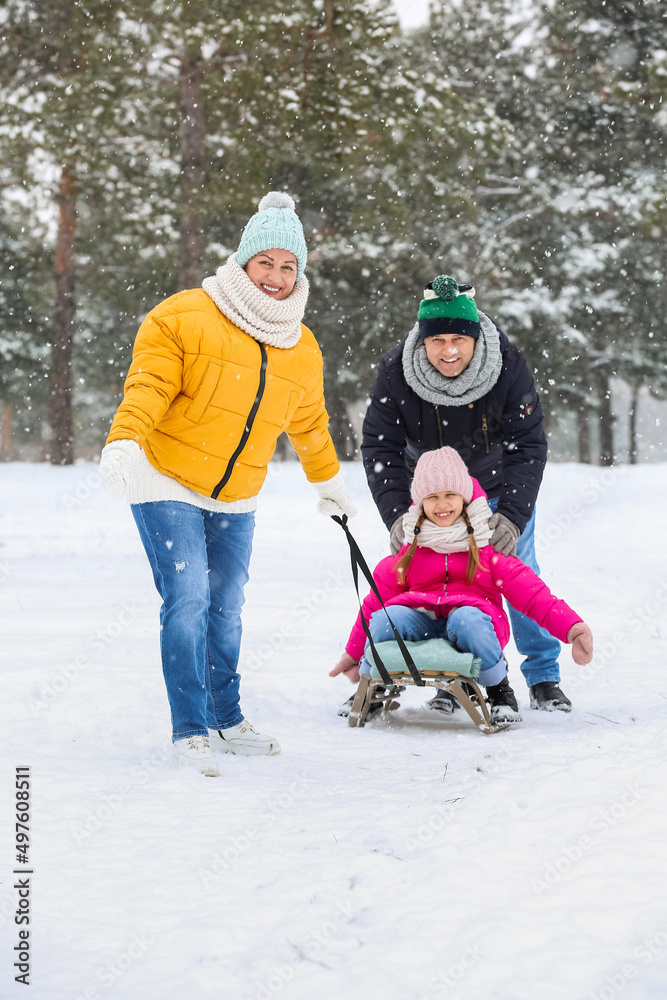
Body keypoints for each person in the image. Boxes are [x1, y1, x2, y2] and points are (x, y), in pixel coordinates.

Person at [99, 192, 356, 776]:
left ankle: (226, 715)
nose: (276, 276)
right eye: (265, 262)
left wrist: (330, 484)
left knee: (228, 605)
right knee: (188, 598)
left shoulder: (301, 344)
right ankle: (189, 727)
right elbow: (148, 386)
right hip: (164, 475)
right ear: (242, 262)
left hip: (236, 491)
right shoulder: (185, 315)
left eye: (289, 265)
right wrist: (124, 439)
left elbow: (310, 424)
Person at [358, 273, 573, 713]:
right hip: (432, 498)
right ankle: (441, 677)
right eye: (437, 340)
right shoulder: (396, 369)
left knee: (517, 573)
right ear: (422, 341)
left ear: (475, 337)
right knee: (431, 580)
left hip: (494, 490)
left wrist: (511, 515)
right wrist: (400, 515)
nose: (449, 349)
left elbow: (528, 444)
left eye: (459, 338)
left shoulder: (507, 364)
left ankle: (543, 676)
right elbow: (380, 446)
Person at [330, 447, 593, 722]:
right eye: (432, 497)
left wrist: (573, 629)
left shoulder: (486, 545)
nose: (442, 505)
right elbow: (374, 602)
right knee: (387, 618)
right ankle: (375, 685)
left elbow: (533, 594)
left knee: (467, 619)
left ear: (464, 497)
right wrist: (353, 652)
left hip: (473, 627)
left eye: (450, 495)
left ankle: (499, 690)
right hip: (422, 624)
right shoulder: (411, 548)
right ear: (420, 503)